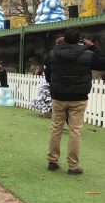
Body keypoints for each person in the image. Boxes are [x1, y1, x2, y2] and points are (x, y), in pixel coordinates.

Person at [44, 27, 105, 174]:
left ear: (64, 38)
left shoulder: (52, 54)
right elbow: (103, 63)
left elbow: (47, 73)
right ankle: (73, 166)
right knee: (75, 131)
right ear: (79, 40)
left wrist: (53, 84)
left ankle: (52, 161)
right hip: (78, 98)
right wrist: (93, 47)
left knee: (55, 128)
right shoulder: (88, 55)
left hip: (58, 96)